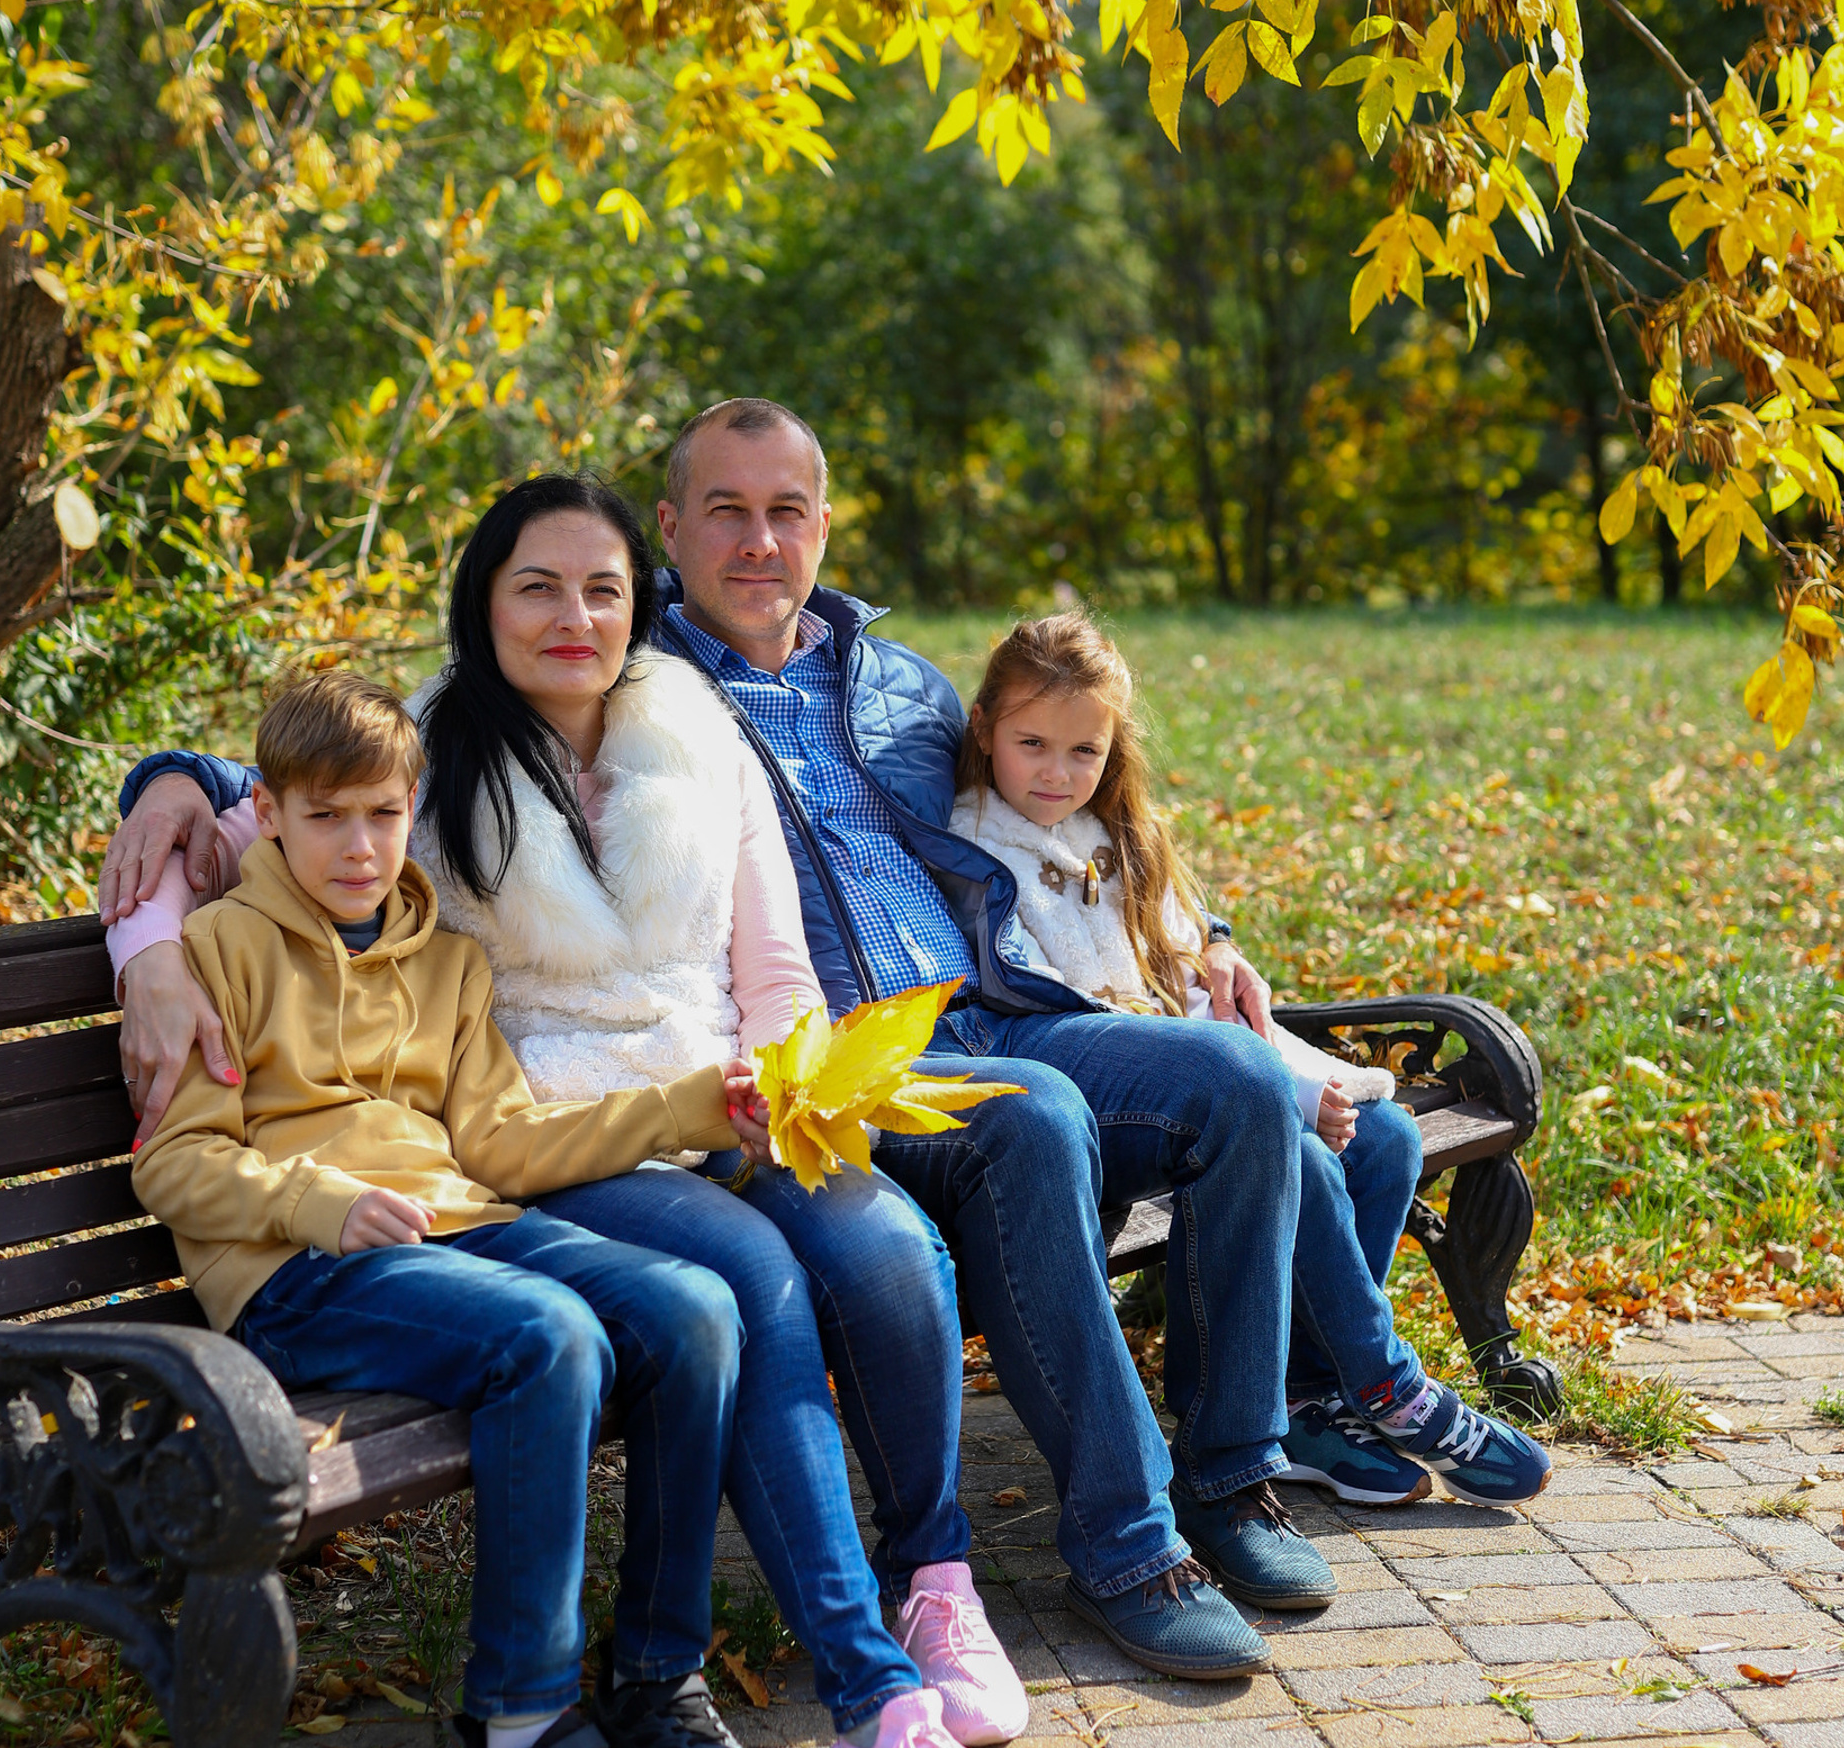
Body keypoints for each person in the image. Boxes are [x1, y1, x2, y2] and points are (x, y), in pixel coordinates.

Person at [105, 409, 1335, 1677]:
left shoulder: (855, 691)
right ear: (668, 543)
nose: (758, 544)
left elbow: (1065, 776)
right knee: (933, 1186)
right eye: (724, 515)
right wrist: (157, 871)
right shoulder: (529, 718)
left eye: (787, 512)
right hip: (627, 1113)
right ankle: (1014, 1583)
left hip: (883, 1045)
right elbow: (308, 779)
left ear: (818, 527)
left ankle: (1156, 1507)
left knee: (1152, 1118)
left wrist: (1198, 935)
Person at [102, 475, 1022, 1748]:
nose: (573, 616)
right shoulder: (356, 826)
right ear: (480, 605)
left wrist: (734, 1091)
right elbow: (271, 788)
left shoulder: (487, 918)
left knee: (820, 1271)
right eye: (536, 585)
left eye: (602, 589)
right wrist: (151, 927)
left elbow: (503, 1129)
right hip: (330, 1241)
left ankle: (712, 1656)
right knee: (663, 1306)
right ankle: (585, 1698)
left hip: (525, 1173)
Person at [129, 668, 755, 1748]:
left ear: (409, 810)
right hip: (295, 1270)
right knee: (548, 1337)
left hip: (455, 1224)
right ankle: (519, 1708)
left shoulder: (448, 964)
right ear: (269, 815)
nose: (360, 847)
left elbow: (504, 1147)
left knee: (695, 1308)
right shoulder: (217, 953)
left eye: (381, 815)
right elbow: (173, 1165)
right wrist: (318, 1202)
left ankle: (659, 1672)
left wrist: (688, 1106)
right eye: (325, 819)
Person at [949, 613, 1554, 1509]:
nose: (1055, 771)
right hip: (1096, 1099)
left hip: (1200, 1064)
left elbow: (1189, 956)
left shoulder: (1120, 834)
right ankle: (1388, 1383)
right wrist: (1286, 1093)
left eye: (1084, 750)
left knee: (1382, 1137)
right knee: (1303, 1152)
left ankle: (1305, 1392)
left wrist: (1224, 958)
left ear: (1113, 751)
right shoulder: (970, 844)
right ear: (986, 729)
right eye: (1031, 743)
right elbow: (1039, 1005)